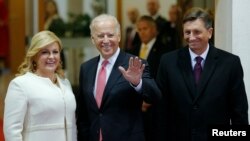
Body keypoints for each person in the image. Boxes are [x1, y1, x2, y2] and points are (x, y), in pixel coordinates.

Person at [156, 7, 249, 141]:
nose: (191, 37)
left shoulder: (230, 63)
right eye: (187, 32)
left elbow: (239, 111)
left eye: (197, 32)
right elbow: (161, 110)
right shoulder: (168, 62)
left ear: (209, 32)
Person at [76, 14, 161, 141]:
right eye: (100, 36)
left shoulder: (135, 64)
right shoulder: (86, 68)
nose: (105, 40)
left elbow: (156, 97)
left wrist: (138, 83)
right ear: (93, 39)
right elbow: (83, 113)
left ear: (119, 36)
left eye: (110, 35)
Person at [3, 31, 77, 141]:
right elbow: (12, 130)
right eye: (45, 52)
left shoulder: (65, 83)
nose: (51, 57)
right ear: (34, 55)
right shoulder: (20, 85)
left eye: (55, 52)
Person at [134, 15, 168, 141]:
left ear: (154, 30)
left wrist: (149, 99)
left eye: (145, 28)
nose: (142, 32)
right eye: (139, 29)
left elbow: (163, 79)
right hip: (135, 109)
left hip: (156, 108)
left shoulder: (165, 51)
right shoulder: (132, 50)